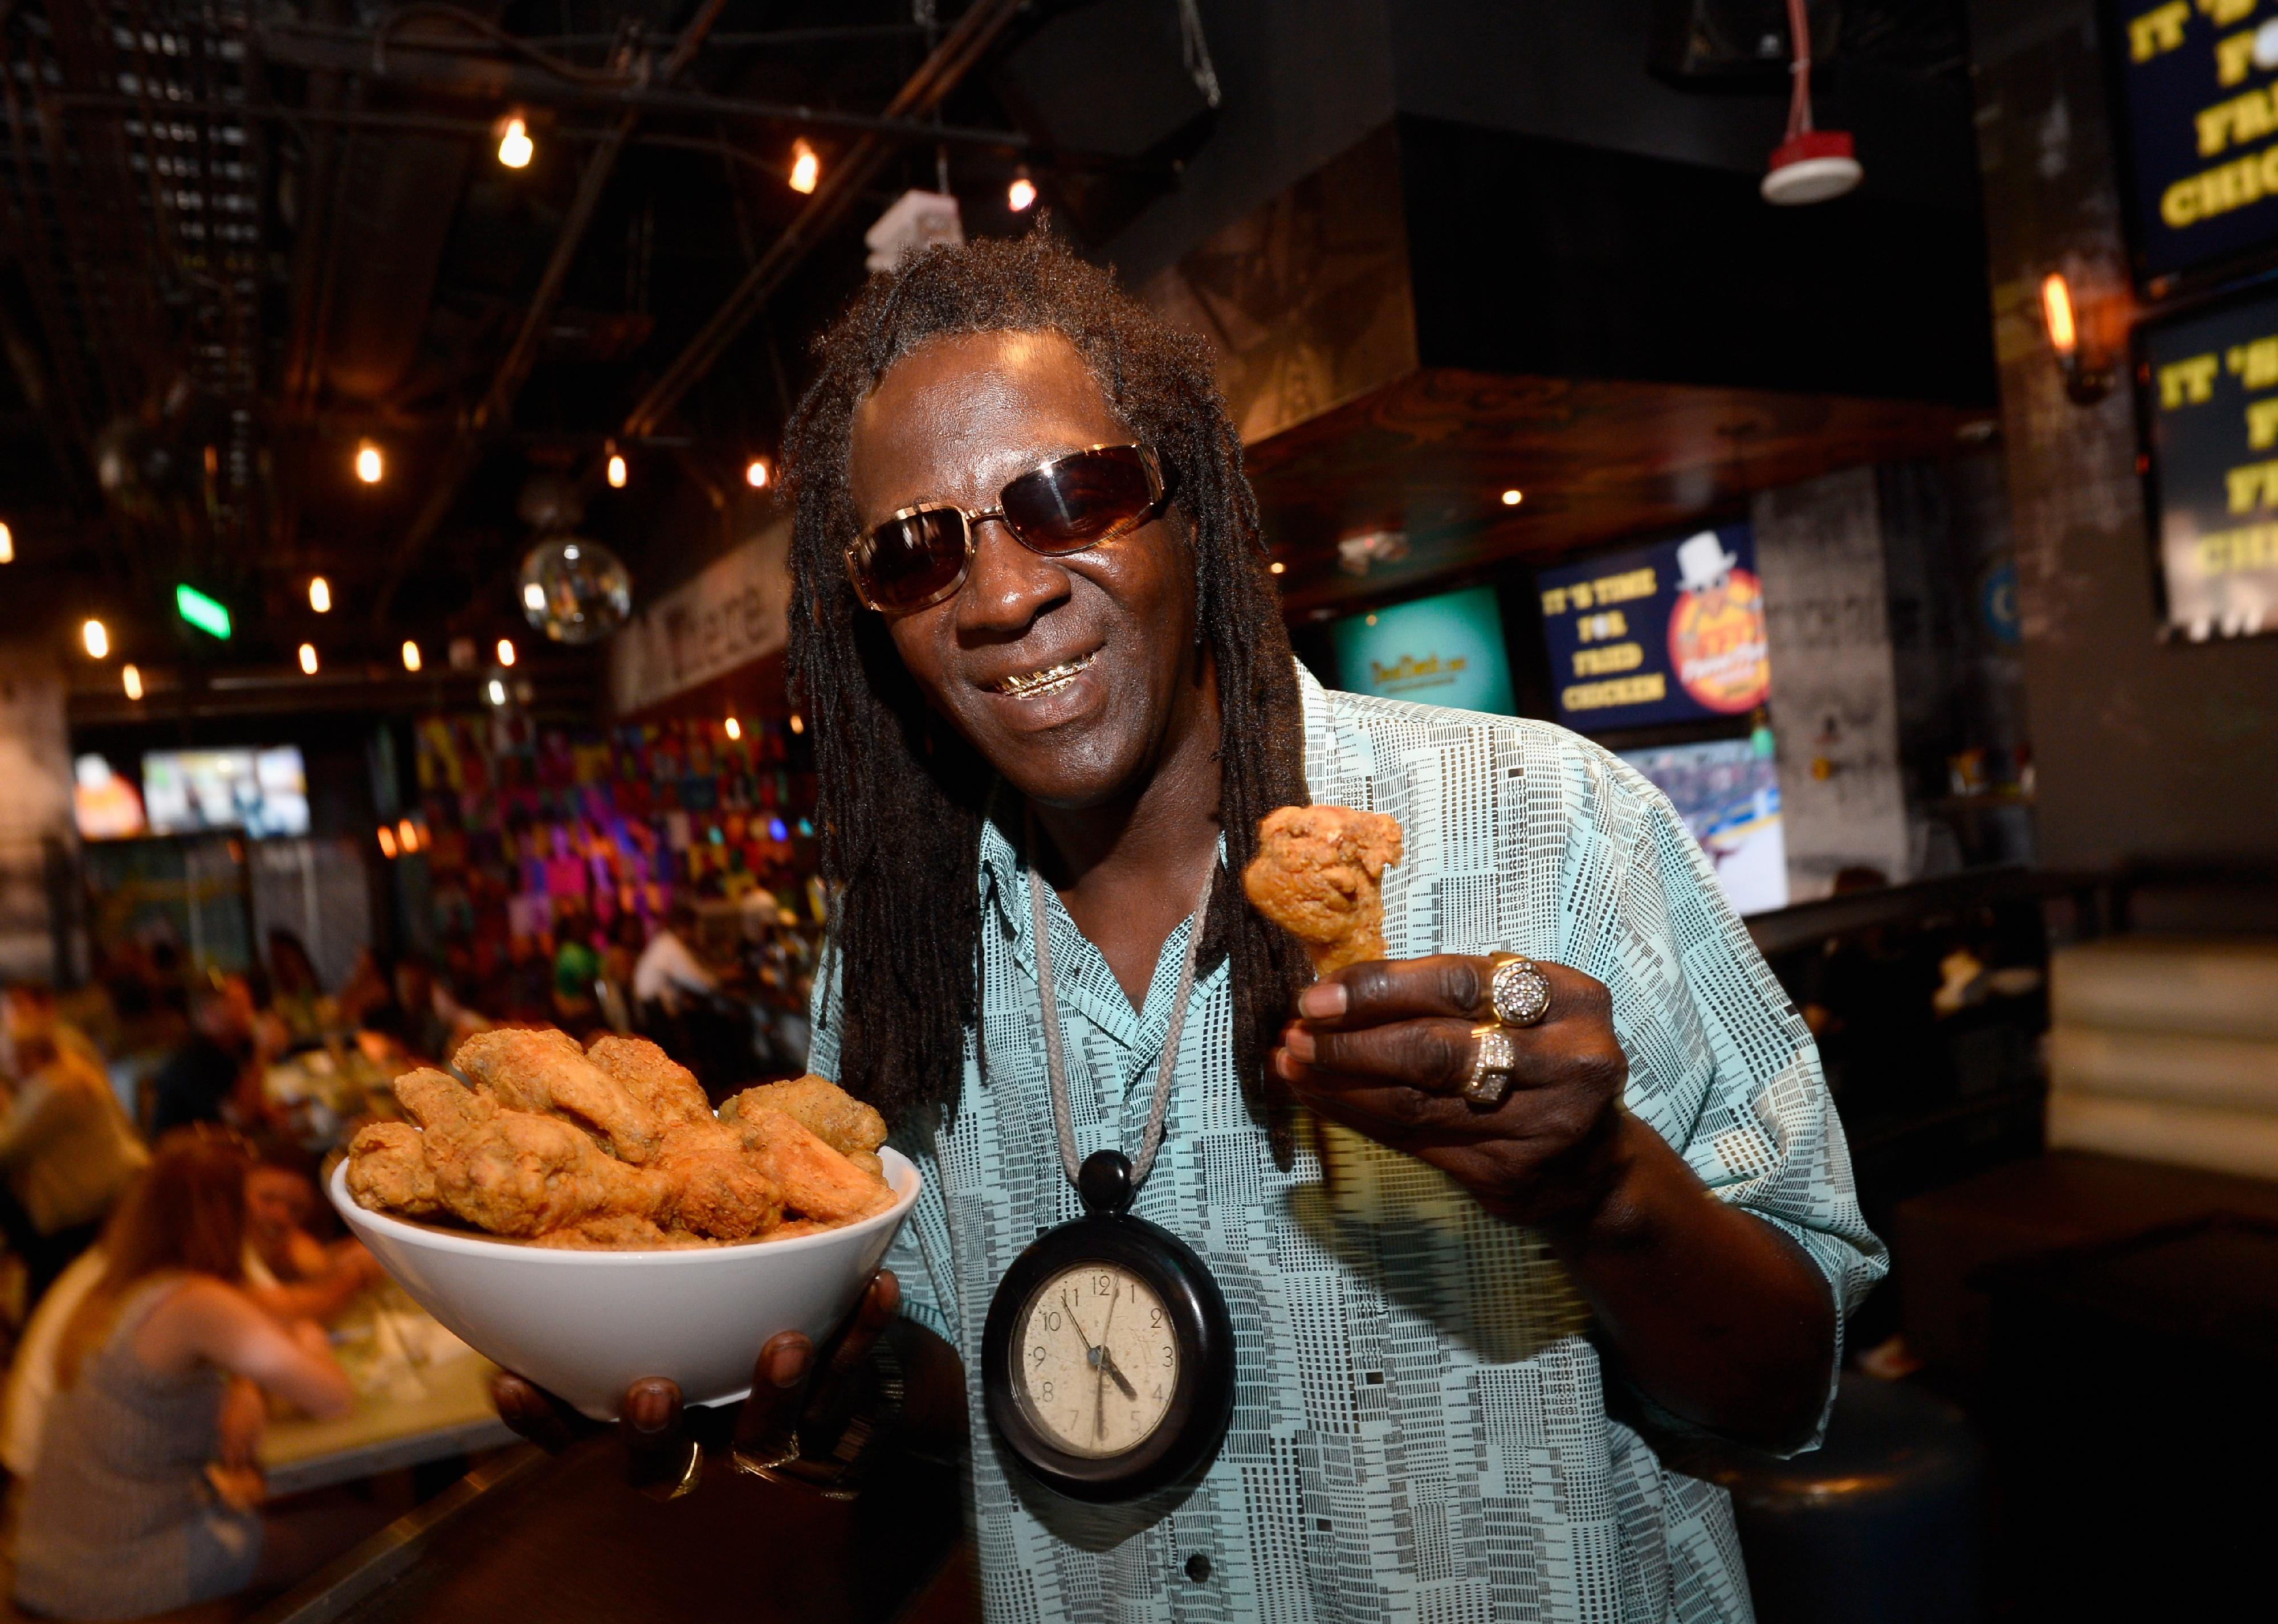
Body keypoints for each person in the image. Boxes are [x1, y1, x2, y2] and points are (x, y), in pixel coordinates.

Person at [495, 238, 1884, 1622]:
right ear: (874, 619)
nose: (1002, 595)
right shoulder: (896, 967)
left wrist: (1606, 1195)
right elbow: (964, 1395)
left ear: (1190, 503)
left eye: (1064, 495)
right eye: (919, 552)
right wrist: (785, 1386)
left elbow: (1786, 1383)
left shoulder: (1548, 820)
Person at [12, 1129, 389, 1620]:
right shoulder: (195, 1303)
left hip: (52, 1560)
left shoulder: (117, 1285)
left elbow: (259, 1322)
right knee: (378, 1528)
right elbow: (333, 1398)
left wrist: (245, 1382)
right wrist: (307, 1340)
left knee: (288, 1511)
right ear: (228, 1215)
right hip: (118, 1572)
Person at [0, 988, 148, 1304]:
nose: (9, 1070)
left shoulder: (53, 1090)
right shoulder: (63, 1074)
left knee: (46, 1268)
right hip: (103, 1187)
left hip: (87, 1199)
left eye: (13, 1061)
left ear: (35, 1057)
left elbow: (9, 1149)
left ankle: (42, 1338)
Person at [148, 977, 261, 1139]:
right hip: (188, 1156)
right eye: (237, 1005)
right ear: (210, 1013)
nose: (249, 1013)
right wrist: (263, 1053)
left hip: (216, 1145)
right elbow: (240, 1118)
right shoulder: (190, 1057)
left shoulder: (229, 1046)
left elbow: (249, 1099)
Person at [631, 901, 717, 1018]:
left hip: (652, 1010)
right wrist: (720, 979)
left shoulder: (664, 941)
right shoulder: (671, 946)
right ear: (685, 927)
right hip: (658, 1016)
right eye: (694, 929)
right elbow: (703, 984)